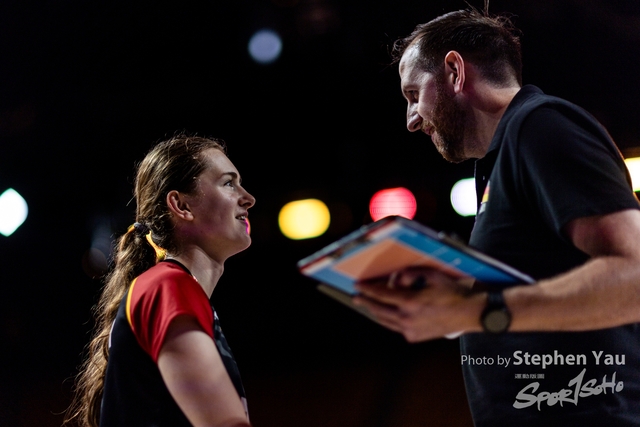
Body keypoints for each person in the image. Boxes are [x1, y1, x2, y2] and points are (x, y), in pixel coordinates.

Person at [353, 7, 640, 427]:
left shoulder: (542, 125)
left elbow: (635, 277)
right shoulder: (502, 156)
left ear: (455, 71)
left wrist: (478, 309)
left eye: (414, 95)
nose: (411, 120)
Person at [64, 135, 256, 427]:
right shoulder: (169, 286)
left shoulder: (171, 288)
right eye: (229, 183)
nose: (248, 198)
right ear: (181, 205)